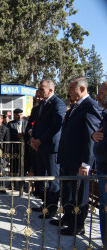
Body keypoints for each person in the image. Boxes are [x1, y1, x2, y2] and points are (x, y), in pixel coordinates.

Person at [56, 76, 102, 235]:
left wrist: (86, 163)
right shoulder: (76, 106)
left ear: (82, 89)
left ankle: (78, 225)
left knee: (79, 193)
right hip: (68, 159)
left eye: (71, 89)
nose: (68, 92)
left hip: (79, 161)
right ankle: (68, 218)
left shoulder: (90, 106)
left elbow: (92, 137)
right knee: (68, 191)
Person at [30, 80, 66, 219]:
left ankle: (51, 209)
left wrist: (41, 140)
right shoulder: (42, 104)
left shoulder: (58, 103)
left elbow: (56, 126)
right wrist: (34, 138)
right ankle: (45, 204)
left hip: (51, 148)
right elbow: (37, 124)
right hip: (40, 146)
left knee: (53, 179)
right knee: (43, 177)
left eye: (41, 89)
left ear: (51, 90)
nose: (39, 91)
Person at [91, 81, 107, 247]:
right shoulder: (104, 115)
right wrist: (93, 136)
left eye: (101, 93)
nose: (97, 96)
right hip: (102, 169)